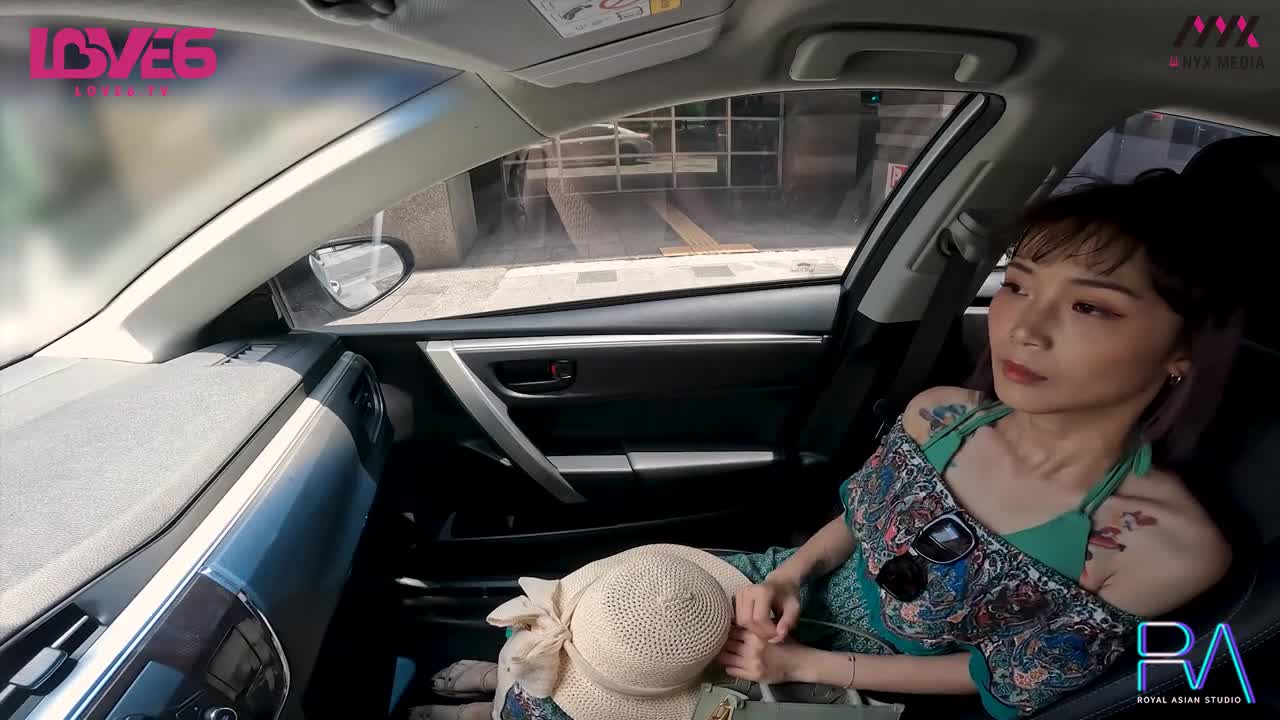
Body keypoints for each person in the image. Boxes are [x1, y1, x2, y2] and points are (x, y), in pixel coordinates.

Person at [416, 168, 1246, 719]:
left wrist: (804, 668)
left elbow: (999, 677)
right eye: (1019, 285)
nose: (1022, 328)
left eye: (1090, 306)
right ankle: (512, 687)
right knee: (608, 619)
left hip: (854, 684)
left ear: (1183, 350)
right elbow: (856, 520)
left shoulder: (1169, 546)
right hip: (774, 597)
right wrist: (786, 575)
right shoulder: (942, 415)